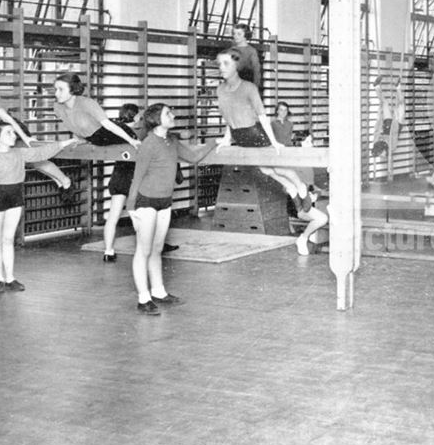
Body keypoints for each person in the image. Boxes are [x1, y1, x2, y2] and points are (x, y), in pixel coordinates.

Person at [125, 104, 215, 315]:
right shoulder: (148, 143)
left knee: (157, 249)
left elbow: (193, 157)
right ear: (156, 119)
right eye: (168, 113)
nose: (172, 115)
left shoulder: (172, 141)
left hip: (165, 202)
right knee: (143, 250)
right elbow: (137, 176)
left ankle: (159, 292)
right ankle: (143, 298)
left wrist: (213, 142)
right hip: (145, 202)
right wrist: (131, 209)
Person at [53, 74, 141, 262]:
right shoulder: (57, 108)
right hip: (95, 139)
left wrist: (132, 140)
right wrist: (82, 139)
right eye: (55, 89)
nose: (56, 93)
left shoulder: (86, 103)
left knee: (142, 149)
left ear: (73, 89)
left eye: (60, 89)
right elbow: (75, 126)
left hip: (112, 133)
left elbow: (108, 125)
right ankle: (109, 251)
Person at [215, 48, 311, 210]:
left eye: (226, 63)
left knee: (278, 168)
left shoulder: (248, 88)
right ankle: (292, 189)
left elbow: (262, 117)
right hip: (239, 136)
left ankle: (301, 188)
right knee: (267, 170)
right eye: (219, 64)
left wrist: (274, 142)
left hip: (255, 133)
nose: (221, 67)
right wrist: (226, 139)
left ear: (237, 66)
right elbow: (228, 117)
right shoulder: (220, 90)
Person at [0, 123, 80, 294]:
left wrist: (64, 143)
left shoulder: (19, 153)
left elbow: (40, 153)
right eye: (8, 132)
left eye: (13, 132)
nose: (14, 135)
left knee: (8, 239)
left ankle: (10, 278)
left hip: (15, 195)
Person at [0, 62, 75, 203]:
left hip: (9, 130)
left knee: (33, 160)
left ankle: (64, 180)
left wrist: (24, 137)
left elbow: (6, 117)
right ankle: (62, 180)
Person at [229, 23, 262, 91]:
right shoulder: (231, 50)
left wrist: (254, 89)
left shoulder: (251, 51)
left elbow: (257, 71)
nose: (236, 36)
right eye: (234, 34)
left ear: (246, 35)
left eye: (239, 34)